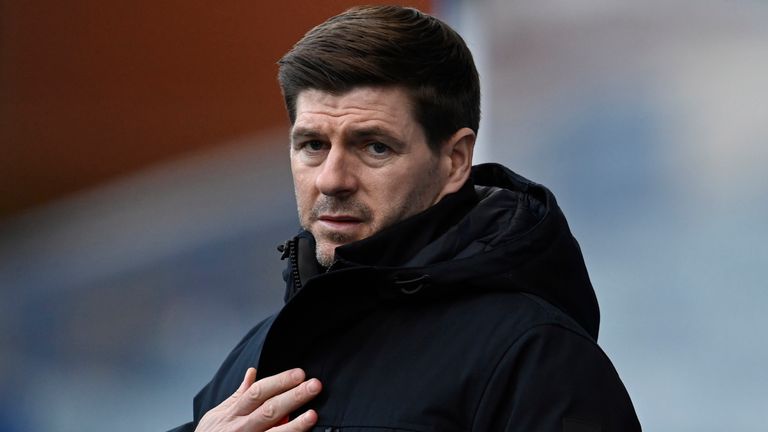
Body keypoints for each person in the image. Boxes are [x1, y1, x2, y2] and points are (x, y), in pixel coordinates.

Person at [170, 5, 641, 432]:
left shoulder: (537, 359)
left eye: (375, 146)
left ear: (455, 160)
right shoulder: (250, 363)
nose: (333, 179)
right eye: (313, 145)